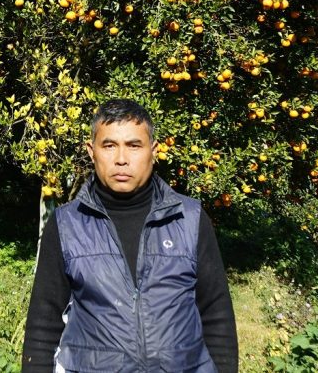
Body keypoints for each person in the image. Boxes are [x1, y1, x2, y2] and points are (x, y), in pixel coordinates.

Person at [21, 98, 238, 372]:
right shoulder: (66, 225)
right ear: (91, 151)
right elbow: (43, 327)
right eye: (109, 145)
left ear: (153, 151)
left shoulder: (190, 219)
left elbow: (217, 316)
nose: (121, 159)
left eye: (134, 145)